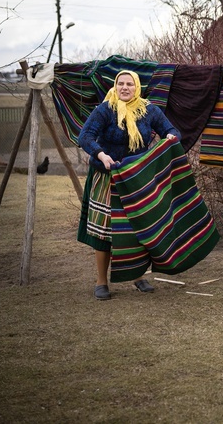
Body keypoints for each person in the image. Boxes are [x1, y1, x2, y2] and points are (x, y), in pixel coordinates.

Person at [77, 70, 181, 300]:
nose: (125, 88)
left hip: (136, 178)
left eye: (129, 84)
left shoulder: (148, 110)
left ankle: (138, 276)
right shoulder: (104, 110)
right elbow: (85, 137)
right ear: (115, 86)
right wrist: (101, 155)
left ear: (137, 87)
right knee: (105, 231)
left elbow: (172, 131)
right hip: (107, 177)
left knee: (138, 227)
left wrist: (170, 139)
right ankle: (101, 282)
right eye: (121, 84)